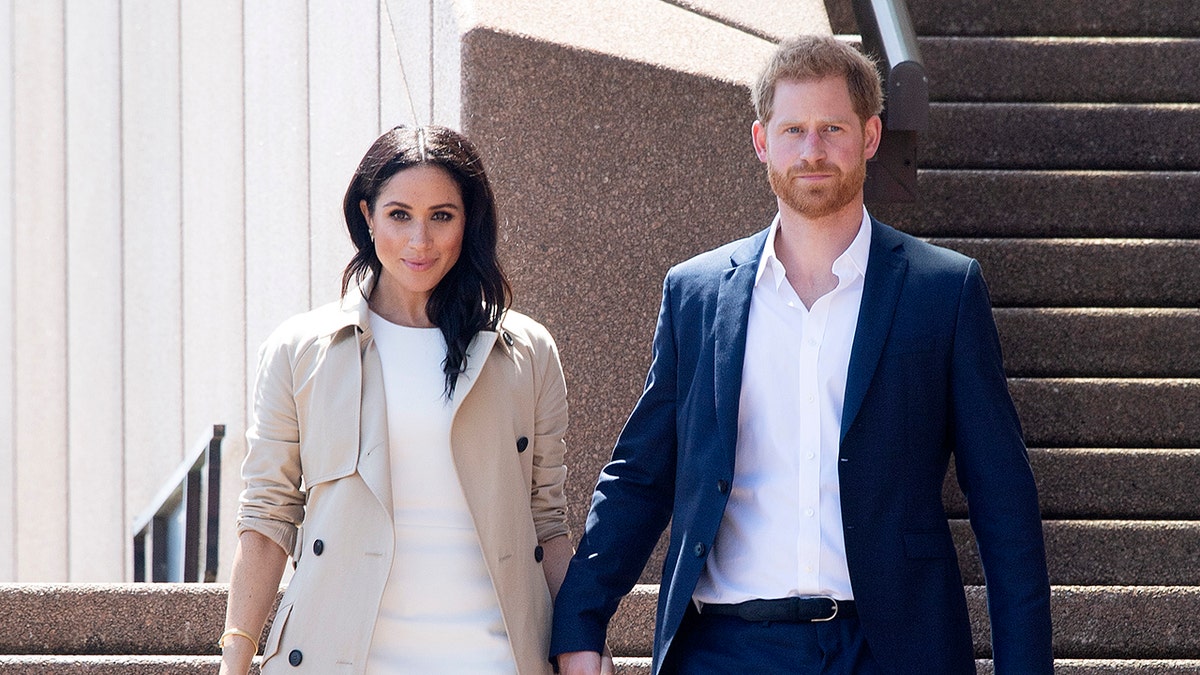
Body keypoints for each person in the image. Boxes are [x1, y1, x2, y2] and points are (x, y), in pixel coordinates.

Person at [550, 35, 1052, 674]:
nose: (812, 150)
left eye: (832, 128)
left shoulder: (943, 291)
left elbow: (1003, 502)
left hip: (891, 651)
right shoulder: (696, 294)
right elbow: (642, 477)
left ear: (870, 136)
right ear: (762, 141)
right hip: (725, 649)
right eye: (793, 130)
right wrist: (580, 622)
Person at [219, 125, 573, 675]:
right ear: (367, 215)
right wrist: (235, 658)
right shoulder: (300, 351)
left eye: (442, 216)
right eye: (400, 215)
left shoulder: (525, 351)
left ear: (468, 221)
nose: (420, 242)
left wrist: (578, 643)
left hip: (495, 657)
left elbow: (546, 522)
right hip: (338, 657)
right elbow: (266, 518)